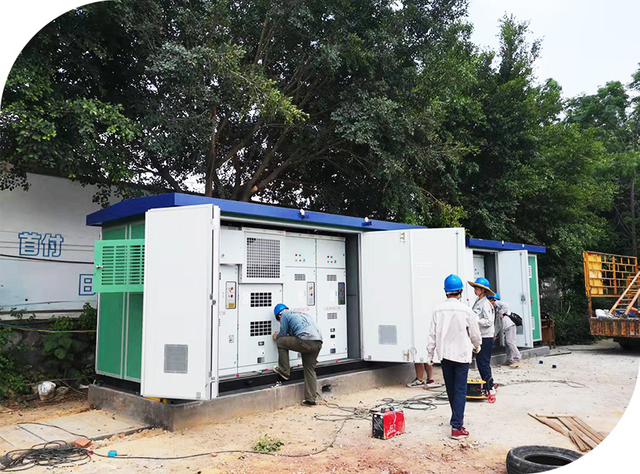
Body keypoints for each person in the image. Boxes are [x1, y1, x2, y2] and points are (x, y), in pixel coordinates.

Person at [427, 274, 482, 439]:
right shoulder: (466, 310)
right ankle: (457, 426)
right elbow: (474, 333)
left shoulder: (438, 309)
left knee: (451, 389)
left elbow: (432, 335)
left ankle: (457, 418)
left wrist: (430, 353)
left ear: (445, 291)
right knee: (459, 390)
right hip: (462, 355)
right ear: (461, 291)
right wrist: (477, 346)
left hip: (445, 355)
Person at [272, 303, 323, 406]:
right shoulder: (302, 314)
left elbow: (283, 333)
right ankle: (311, 399)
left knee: (281, 341)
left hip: (306, 341)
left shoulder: (285, 315)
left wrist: (276, 336)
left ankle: (284, 371)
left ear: (279, 315)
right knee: (309, 369)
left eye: (278, 320)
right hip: (317, 342)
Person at [468, 277, 496, 394]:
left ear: (483, 290)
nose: (475, 289)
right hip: (481, 336)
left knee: (483, 362)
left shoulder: (485, 304)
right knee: (481, 362)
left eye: (477, 288)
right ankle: (488, 384)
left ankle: (490, 386)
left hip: (486, 336)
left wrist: (476, 321)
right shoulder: (478, 302)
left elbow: (489, 321)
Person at [488, 293, 522, 368]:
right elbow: (498, 324)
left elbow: (506, 305)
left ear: (492, 299)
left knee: (510, 342)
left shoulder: (497, 304)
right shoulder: (495, 310)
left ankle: (517, 359)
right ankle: (510, 360)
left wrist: (501, 313)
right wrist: (495, 334)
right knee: (507, 343)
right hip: (506, 328)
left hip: (510, 326)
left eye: (489, 300)